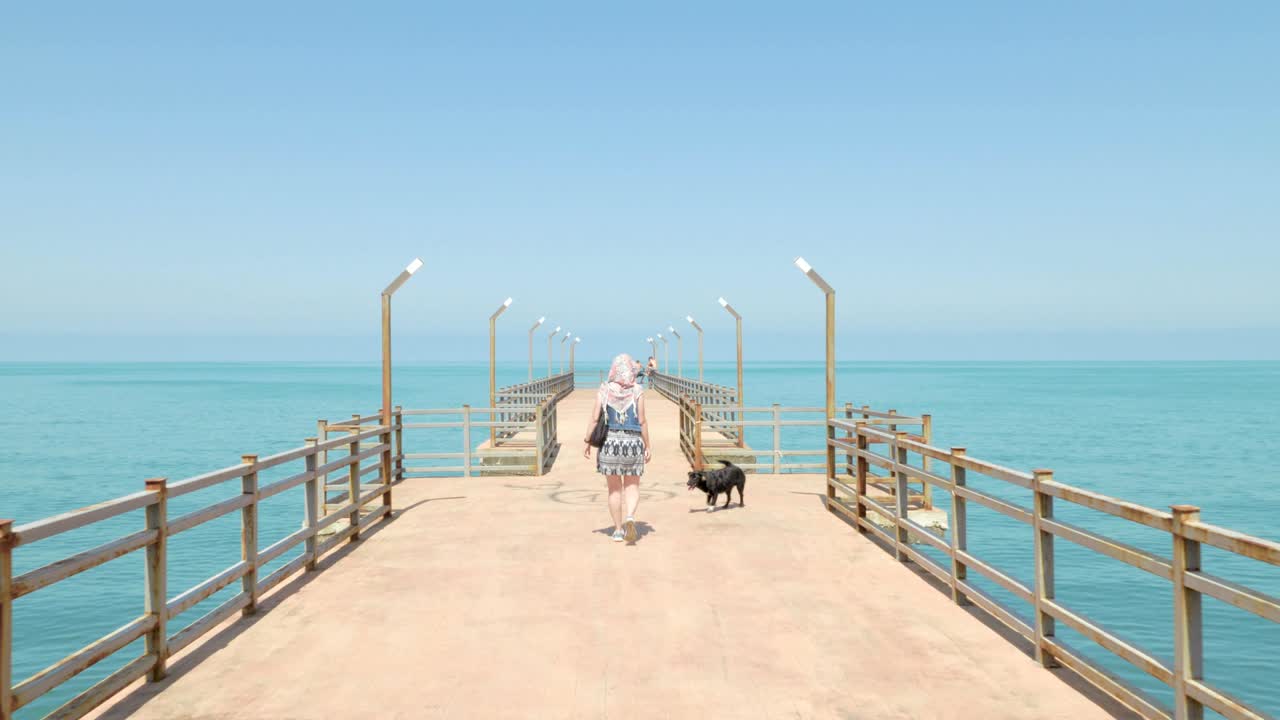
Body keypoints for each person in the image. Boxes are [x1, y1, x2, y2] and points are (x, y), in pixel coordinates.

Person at [584, 354, 652, 542]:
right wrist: (648, 446)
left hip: (609, 445)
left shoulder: (604, 389)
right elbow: (642, 420)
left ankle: (618, 530)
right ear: (631, 370)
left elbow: (595, 418)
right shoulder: (637, 390)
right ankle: (630, 516)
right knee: (632, 486)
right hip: (632, 444)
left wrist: (587, 442)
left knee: (614, 490)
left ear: (614, 369)